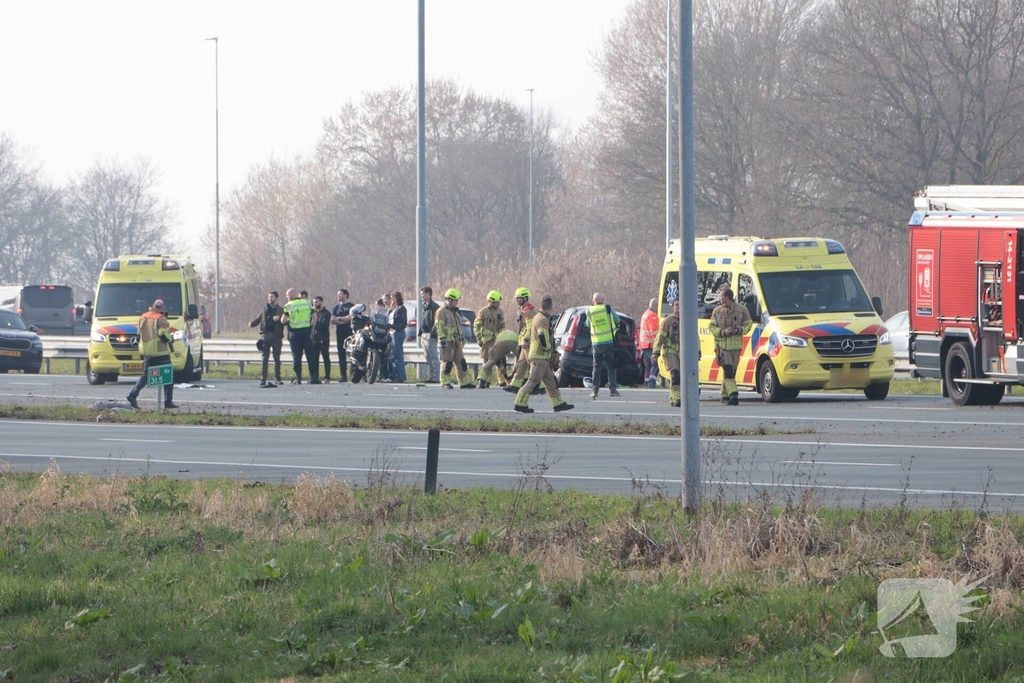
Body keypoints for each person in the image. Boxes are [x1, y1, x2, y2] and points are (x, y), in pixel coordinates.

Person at [513, 295, 574, 413]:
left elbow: (530, 331)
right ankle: (520, 403)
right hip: (539, 357)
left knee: (551, 382)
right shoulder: (543, 320)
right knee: (533, 381)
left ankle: (558, 403)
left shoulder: (536, 317)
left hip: (542, 358)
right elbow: (543, 336)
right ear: (550, 307)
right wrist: (549, 348)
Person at [126, 299, 178, 410]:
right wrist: (171, 339)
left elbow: (138, 333)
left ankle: (133, 394)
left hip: (146, 351)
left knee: (145, 375)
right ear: (162, 308)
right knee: (168, 376)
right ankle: (168, 401)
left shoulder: (143, 316)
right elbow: (163, 334)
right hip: (160, 352)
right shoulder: (161, 318)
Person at [709, 287, 752, 405]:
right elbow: (711, 327)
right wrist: (723, 332)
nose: (719, 298)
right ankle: (734, 394)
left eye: (721, 296)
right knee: (728, 370)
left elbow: (749, 324)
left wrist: (739, 330)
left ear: (727, 297)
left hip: (736, 346)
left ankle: (724, 395)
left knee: (731, 370)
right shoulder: (717, 311)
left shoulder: (742, 310)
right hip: (722, 346)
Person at [436, 288, 474, 389]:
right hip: (447, 341)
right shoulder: (441, 311)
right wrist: (442, 339)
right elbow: (439, 326)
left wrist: (461, 337)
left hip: (456, 342)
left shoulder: (455, 312)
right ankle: (445, 382)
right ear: (449, 299)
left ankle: (464, 382)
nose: (457, 302)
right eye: (456, 300)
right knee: (447, 362)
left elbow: (458, 327)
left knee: (461, 361)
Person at [586, 292, 621, 399]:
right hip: (609, 342)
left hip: (596, 343)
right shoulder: (608, 308)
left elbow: (587, 324)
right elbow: (618, 320)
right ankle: (613, 390)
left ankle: (595, 390)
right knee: (611, 367)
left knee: (596, 367)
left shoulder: (590, 311)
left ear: (593, 301)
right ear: (603, 299)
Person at [281, 287, 318, 385]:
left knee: (297, 356)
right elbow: (315, 317)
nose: (286, 297)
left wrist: (289, 320)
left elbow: (283, 320)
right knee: (310, 355)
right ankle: (313, 377)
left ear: (292, 295)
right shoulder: (307, 303)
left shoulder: (288, 305)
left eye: (287, 296)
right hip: (306, 332)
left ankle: (298, 378)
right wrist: (311, 328)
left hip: (294, 334)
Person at [249, 290, 284, 387]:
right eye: (269, 297)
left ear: (276, 298)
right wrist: (252, 324)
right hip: (266, 335)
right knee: (265, 357)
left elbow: (286, 320)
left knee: (276, 358)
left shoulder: (281, 310)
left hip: (277, 336)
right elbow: (259, 319)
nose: (270, 299)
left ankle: (277, 378)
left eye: (272, 297)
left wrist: (280, 318)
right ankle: (263, 378)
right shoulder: (264, 309)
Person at [503, 287, 534, 393]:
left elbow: (530, 327)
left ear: (525, 298)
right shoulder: (524, 310)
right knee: (520, 364)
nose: (517, 300)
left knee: (532, 364)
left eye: (519, 298)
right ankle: (515, 385)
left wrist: (526, 340)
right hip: (523, 342)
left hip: (527, 343)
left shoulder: (528, 311)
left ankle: (540, 386)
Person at [474, 290, 505, 388]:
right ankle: (484, 381)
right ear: (491, 301)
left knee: (501, 360)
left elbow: (503, 325)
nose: (498, 304)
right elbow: (476, 326)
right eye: (496, 302)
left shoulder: (500, 312)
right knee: (488, 361)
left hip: (498, 340)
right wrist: (478, 338)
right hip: (487, 341)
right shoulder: (483, 312)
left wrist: (505, 335)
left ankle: (502, 381)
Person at [652, 299, 681, 407]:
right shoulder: (667, 321)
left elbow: (694, 337)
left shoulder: (688, 320)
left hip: (683, 352)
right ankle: (676, 397)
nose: (678, 307)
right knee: (675, 374)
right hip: (670, 351)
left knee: (683, 376)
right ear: (673, 307)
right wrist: (656, 352)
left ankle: (677, 396)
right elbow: (660, 337)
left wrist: (697, 351)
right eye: (676, 305)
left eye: (680, 305)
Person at [330, 289, 354, 382]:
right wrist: (344, 320)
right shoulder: (336, 307)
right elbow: (332, 320)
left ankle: (353, 375)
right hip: (339, 334)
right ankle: (343, 375)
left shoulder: (351, 306)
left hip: (349, 333)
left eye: (340, 294)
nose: (338, 296)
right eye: (337, 294)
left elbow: (351, 318)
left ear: (346, 295)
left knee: (352, 354)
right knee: (341, 354)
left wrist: (339, 319)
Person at [418, 286, 440, 383]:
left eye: (422, 293)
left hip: (430, 335)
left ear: (428, 294)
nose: (421, 296)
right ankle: (432, 376)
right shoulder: (425, 306)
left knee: (433, 357)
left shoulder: (434, 307)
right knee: (427, 357)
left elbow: (436, 322)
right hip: (424, 334)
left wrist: (433, 333)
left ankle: (435, 377)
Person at [310, 295, 333, 383]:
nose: (315, 304)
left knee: (325, 357)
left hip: (323, 338)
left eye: (317, 302)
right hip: (314, 338)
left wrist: (314, 325)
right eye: (314, 302)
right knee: (315, 358)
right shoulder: (312, 312)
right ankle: (315, 377)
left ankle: (327, 377)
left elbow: (324, 325)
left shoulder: (326, 313)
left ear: (321, 302)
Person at [387, 290, 408, 383]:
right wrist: (390, 309)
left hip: (398, 332)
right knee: (393, 355)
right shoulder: (394, 309)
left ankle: (401, 376)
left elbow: (404, 322)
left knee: (397, 355)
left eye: (392, 298)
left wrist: (396, 327)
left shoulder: (401, 308)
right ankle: (395, 374)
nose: (391, 300)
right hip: (393, 332)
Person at [639, 298, 660, 388]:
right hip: (650, 344)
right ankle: (651, 382)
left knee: (648, 364)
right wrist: (659, 343)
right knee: (655, 364)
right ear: (656, 305)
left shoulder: (645, 314)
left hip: (644, 344)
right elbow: (654, 332)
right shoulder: (652, 315)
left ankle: (647, 381)